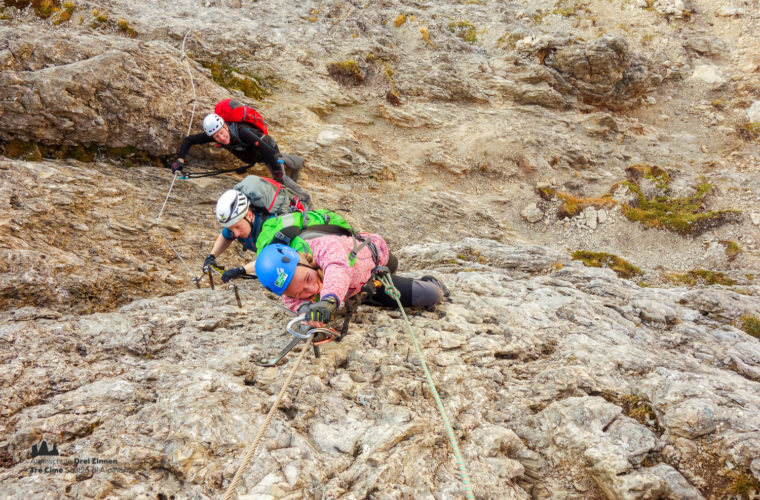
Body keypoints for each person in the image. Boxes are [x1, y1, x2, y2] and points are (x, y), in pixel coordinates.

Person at [254, 240, 449, 326]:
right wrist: (306, 312)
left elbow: (338, 268)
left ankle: (431, 280)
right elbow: (294, 304)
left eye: (307, 278)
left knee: (432, 294)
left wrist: (328, 300)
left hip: (372, 273)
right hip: (354, 291)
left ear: (303, 259)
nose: (312, 288)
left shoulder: (324, 246)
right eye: (299, 292)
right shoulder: (289, 293)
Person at [171, 113, 311, 206]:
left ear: (225, 126)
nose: (221, 137)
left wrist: (278, 177)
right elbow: (189, 140)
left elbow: (267, 151)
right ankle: (297, 162)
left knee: (281, 176)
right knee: (280, 162)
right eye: (216, 137)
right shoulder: (214, 133)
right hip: (258, 155)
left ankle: (305, 198)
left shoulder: (242, 132)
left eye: (221, 133)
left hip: (268, 149)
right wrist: (180, 160)